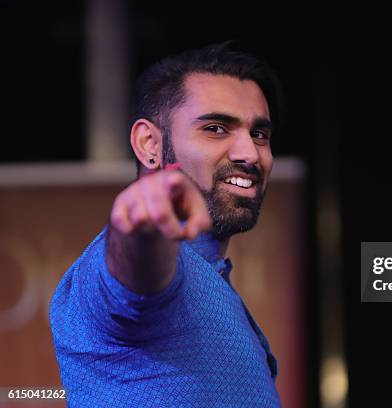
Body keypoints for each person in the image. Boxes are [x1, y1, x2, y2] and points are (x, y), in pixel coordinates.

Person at [49, 42, 283, 407]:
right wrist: (148, 213)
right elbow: (135, 270)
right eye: (217, 128)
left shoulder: (216, 285)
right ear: (150, 145)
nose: (250, 154)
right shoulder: (149, 270)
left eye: (259, 134)